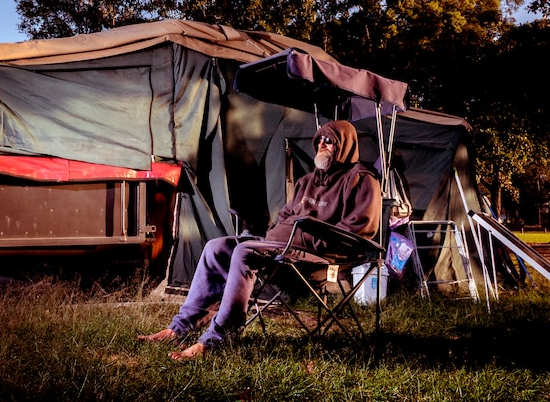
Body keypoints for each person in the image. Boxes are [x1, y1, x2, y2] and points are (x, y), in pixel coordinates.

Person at [138, 120, 382, 360]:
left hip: (318, 257)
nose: (323, 144)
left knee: (245, 252)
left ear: (346, 145)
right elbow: (285, 217)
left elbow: (356, 232)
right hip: (280, 248)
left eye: (330, 141)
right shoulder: (306, 182)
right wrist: (276, 234)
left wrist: (305, 235)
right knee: (217, 247)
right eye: (320, 140)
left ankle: (218, 339)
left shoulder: (361, 180)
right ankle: (178, 329)